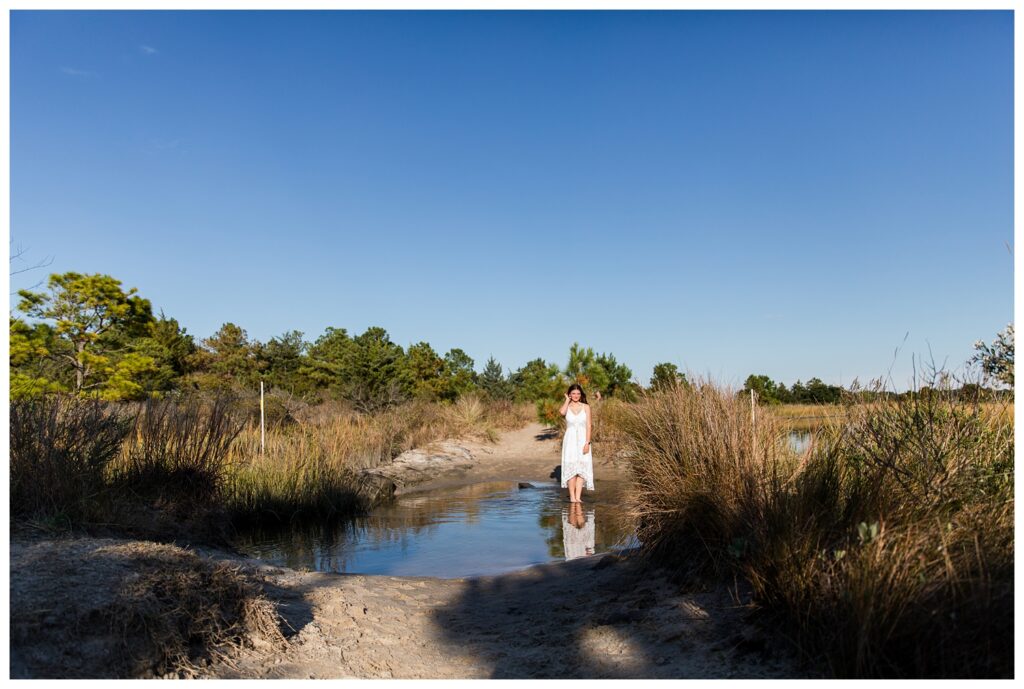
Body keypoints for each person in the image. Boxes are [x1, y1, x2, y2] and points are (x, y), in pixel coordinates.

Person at [559, 383, 594, 502]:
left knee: (581, 470)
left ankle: (578, 497)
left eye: (578, 393)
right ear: (569, 394)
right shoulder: (567, 407)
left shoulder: (586, 407)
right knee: (572, 469)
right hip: (570, 442)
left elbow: (589, 425)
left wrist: (587, 443)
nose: (576, 395)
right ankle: (572, 498)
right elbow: (562, 413)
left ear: (581, 394)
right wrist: (566, 400)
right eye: (573, 393)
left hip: (583, 441)